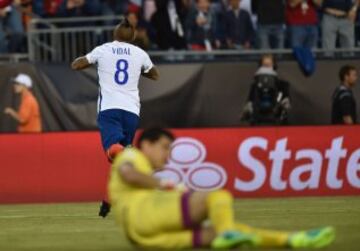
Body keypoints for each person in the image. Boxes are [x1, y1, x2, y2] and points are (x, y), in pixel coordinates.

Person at [109, 127, 335, 249]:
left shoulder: (142, 173)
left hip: (142, 239)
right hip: (143, 217)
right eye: (165, 148)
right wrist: (165, 184)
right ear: (147, 144)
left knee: (226, 234)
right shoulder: (133, 154)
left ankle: (292, 240)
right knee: (217, 197)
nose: (167, 156)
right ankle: (228, 232)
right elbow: (129, 173)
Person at [71, 18, 159, 217]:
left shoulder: (103, 49)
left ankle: (139, 158)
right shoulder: (140, 53)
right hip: (131, 111)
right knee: (121, 163)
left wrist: (88, 62)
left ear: (114, 35)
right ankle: (107, 203)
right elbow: (155, 75)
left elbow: (77, 65)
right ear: (133, 36)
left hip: (110, 108)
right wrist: (136, 70)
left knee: (113, 152)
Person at [242, 54, 291, 125]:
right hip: (258, 113)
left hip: (274, 109)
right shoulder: (255, 85)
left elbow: (282, 94)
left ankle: (283, 106)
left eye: (269, 65)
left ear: (273, 65)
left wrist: (283, 100)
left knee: (284, 87)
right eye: (265, 65)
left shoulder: (281, 84)